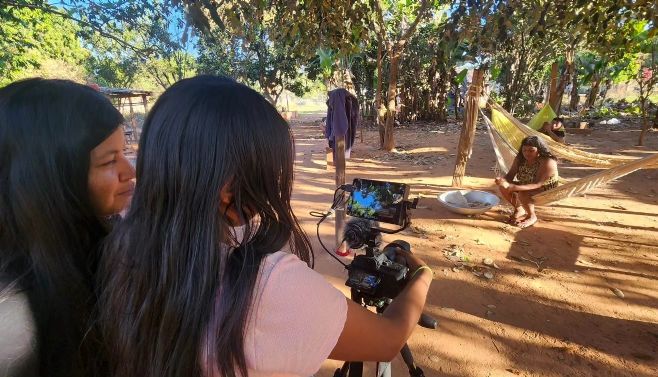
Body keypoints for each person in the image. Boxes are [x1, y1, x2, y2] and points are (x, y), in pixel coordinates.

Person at [98, 76, 433, 377]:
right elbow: (388, 340)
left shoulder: (121, 241)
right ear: (228, 186)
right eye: (270, 171)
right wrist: (421, 275)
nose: (272, 184)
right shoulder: (267, 286)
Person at [0, 78, 136, 377]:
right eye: (109, 161)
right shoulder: (14, 326)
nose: (129, 171)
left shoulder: (94, 243)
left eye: (124, 152)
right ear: (52, 178)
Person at [495, 136, 559, 228]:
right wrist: (503, 180)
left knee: (523, 194)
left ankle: (531, 216)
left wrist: (515, 187)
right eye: (524, 150)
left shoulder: (547, 161)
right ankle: (519, 209)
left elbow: (538, 184)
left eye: (531, 150)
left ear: (539, 150)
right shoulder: (520, 158)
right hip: (526, 184)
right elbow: (510, 175)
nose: (527, 153)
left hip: (545, 188)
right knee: (502, 187)